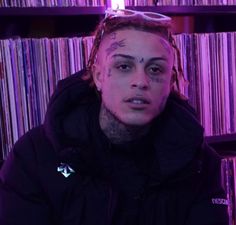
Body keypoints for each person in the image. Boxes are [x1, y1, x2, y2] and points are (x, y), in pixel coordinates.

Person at [0, 8, 229, 225]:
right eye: (123, 66)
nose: (140, 82)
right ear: (98, 77)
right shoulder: (33, 157)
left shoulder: (200, 163)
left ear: (170, 83)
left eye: (156, 69)